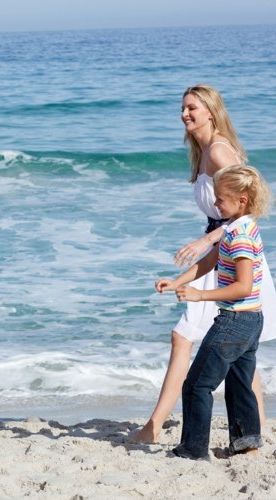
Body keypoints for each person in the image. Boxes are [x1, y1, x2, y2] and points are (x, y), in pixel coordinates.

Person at [135, 84, 276, 443]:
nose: (185, 114)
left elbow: (246, 206)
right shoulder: (201, 151)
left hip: (231, 254)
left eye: (192, 108)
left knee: (185, 337)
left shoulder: (218, 151)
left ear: (211, 112)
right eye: (182, 108)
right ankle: (256, 427)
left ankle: (153, 428)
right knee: (240, 351)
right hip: (219, 250)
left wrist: (207, 240)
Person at [155, 164, 271, 459]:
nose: (215, 204)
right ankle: (247, 445)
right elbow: (209, 262)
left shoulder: (241, 236)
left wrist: (200, 295)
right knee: (239, 382)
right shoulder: (235, 228)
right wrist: (177, 281)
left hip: (235, 321)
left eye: (220, 199)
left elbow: (243, 286)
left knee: (196, 384)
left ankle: (193, 450)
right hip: (250, 320)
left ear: (241, 200)